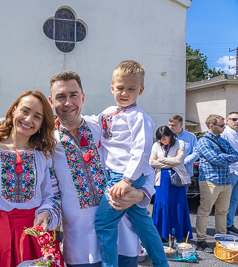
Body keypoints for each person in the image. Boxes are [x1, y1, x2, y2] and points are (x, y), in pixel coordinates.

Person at [48, 70, 156, 267]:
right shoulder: (48, 143)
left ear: (83, 97)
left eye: (73, 95)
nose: (68, 102)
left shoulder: (103, 126)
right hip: (81, 245)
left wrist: (142, 194)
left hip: (122, 238)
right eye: (60, 97)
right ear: (51, 101)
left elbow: (144, 164)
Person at [0, 90, 62, 267]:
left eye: (37, 117)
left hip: (34, 238)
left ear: (41, 124)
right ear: (14, 110)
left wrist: (45, 212)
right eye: (25, 111)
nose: (29, 120)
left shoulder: (44, 155)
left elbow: (52, 196)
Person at [95, 60, 168, 267]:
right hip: (119, 176)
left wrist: (127, 180)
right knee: (143, 225)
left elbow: (142, 151)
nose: (124, 93)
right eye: (120, 88)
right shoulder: (108, 112)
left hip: (124, 177)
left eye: (131, 89)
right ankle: (162, 263)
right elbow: (92, 121)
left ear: (141, 90)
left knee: (103, 224)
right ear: (112, 88)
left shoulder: (139, 117)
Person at [195, 114, 238, 252]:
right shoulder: (203, 141)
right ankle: (201, 240)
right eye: (221, 125)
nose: (224, 127)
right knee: (205, 211)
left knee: (222, 211)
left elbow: (235, 155)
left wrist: (224, 157)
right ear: (211, 126)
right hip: (210, 181)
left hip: (225, 181)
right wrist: (227, 157)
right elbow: (215, 159)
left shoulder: (222, 140)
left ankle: (222, 238)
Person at [150, 126, 193, 241]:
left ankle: (178, 234)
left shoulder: (180, 143)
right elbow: (151, 162)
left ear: (170, 136)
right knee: (162, 203)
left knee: (178, 204)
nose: (162, 141)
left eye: (164, 138)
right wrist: (170, 162)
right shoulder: (156, 145)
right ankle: (162, 234)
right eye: (160, 139)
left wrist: (162, 159)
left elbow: (179, 161)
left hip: (177, 179)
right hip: (161, 180)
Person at [221, 112, 238, 235]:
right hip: (231, 171)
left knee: (234, 200)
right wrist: (230, 170)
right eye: (234, 119)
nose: (237, 121)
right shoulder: (224, 134)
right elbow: (222, 154)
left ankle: (230, 224)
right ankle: (223, 226)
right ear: (227, 120)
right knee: (225, 201)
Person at [168, 115, 199, 182]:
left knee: (183, 192)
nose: (170, 127)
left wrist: (183, 163)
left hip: (185, 172)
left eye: (173, 125)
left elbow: (196, 153)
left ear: (181, 124)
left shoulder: (191, 137)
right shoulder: (166, 136)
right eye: (169, 125)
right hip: (169, 172)